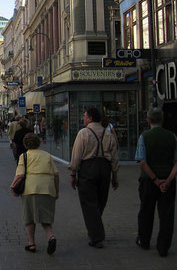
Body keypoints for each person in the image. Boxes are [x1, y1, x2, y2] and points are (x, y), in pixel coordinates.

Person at [134, 106, 177, 257]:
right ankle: (163, 247)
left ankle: (144, 240)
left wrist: (155, 180)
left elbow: (142, 161)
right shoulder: (171, 136)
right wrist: (168, 180)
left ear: (148, 120)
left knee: (146, 211)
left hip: (149, 181)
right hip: (168, 181)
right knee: (167, 215)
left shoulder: (144, 136)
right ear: (162, 120)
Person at [69, 107, 119, 248]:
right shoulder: (108, 133)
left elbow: (77, 155)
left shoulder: (83, 133)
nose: (83, 118)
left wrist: (73, 173)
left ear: (90, 118)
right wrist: (115, 175)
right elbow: (115, 156)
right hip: (105, 168)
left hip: (88, 168)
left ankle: (96, 236)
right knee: (100, 200)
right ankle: (95, 227)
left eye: (84, 116)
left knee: (88, 202)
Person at [10, 133, 59, 255]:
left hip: (30, 188)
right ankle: (51, 237)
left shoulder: (24, 156)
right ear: (38, 143)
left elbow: (20, 175)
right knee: (45, 217)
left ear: (26, 144)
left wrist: (12, 186)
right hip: (47, 188)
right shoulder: (47, 156)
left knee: (29, 217)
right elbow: (56, 175)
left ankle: (32, 243)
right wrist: (56, 191)